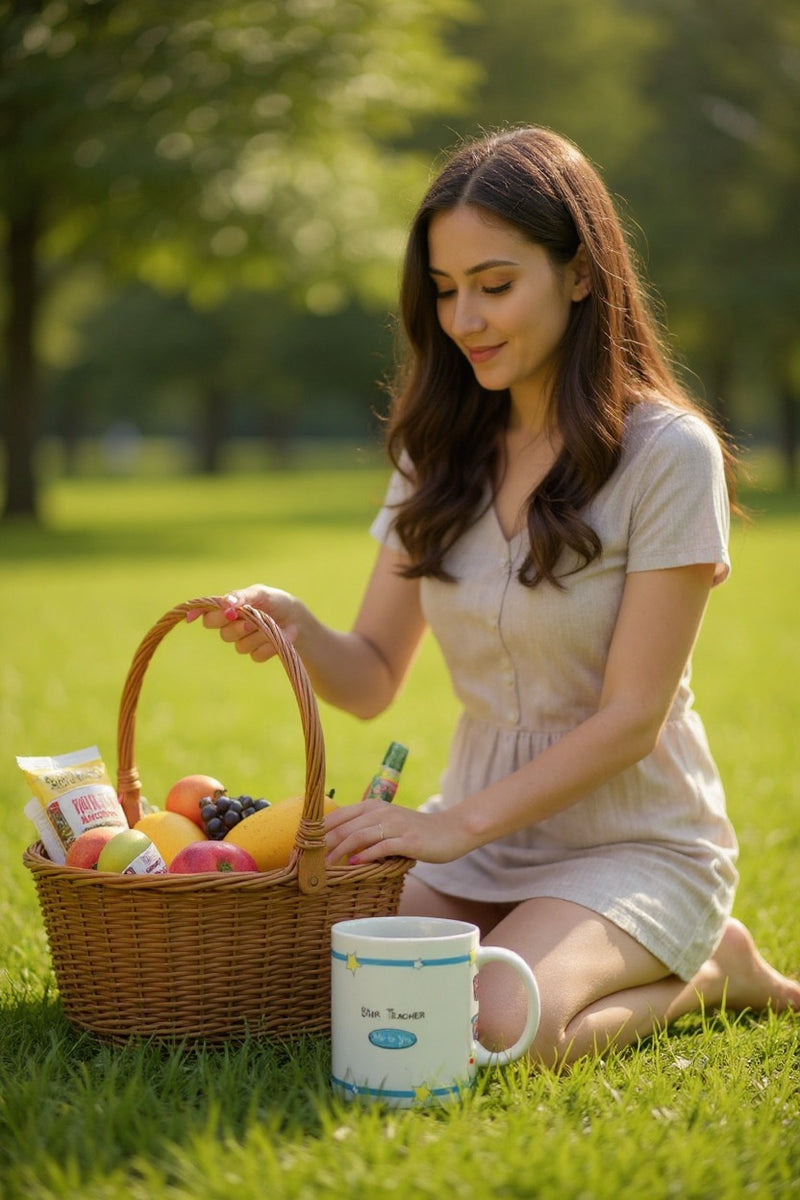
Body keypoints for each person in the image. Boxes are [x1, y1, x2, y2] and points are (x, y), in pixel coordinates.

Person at [200, 126, 800, 1067]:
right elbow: (369, 680)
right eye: (444, 291)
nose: (465, 319)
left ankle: (708, 971)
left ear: (580, 274)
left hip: (633, 842)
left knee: (488, 1026)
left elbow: (633, 718)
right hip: (476, 846)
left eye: (494, 283)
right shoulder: (435, 453)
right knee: (315, 984)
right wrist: (299, 626)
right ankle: (606, 950)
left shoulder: (665, 452)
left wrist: (445, 827)